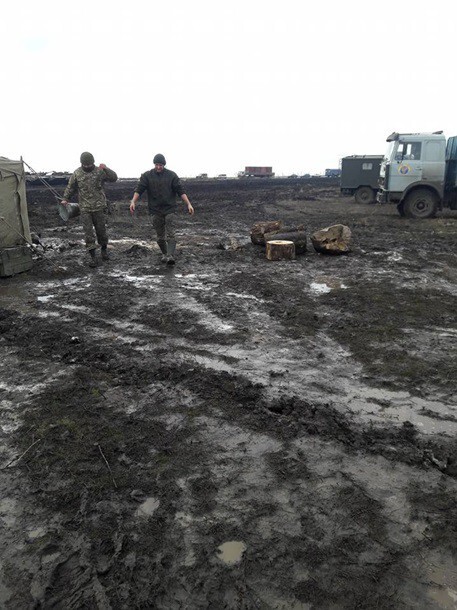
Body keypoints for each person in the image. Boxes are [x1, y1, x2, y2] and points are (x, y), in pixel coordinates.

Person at [129, 154, 194, 265]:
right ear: (154, 164)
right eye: (157, 164)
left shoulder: (172, 175)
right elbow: (139, 189)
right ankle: (164, 253)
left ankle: (170, 255)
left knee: (171, 233)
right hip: (155, 210)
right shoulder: (147, 176)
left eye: (161, 165)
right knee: (160, 236)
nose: (159, 167)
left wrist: (189, 204)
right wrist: (133, 201)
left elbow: (180, 191)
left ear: (164, 164)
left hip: (169, 209)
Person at [61, 152, 118, 267]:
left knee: (101, 231)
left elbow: (114, 178)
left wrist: (106, 168)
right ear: (81, 163)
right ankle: (93, 257)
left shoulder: (100, 171)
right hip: (85, 208)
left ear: (93, 162)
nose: (87, 166)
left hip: (99, 207)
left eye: (89, 164)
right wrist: (65, 199)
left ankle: (104, 251)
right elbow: (70, 187)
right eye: (85, 164)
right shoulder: (77, 173)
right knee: (88, 234)